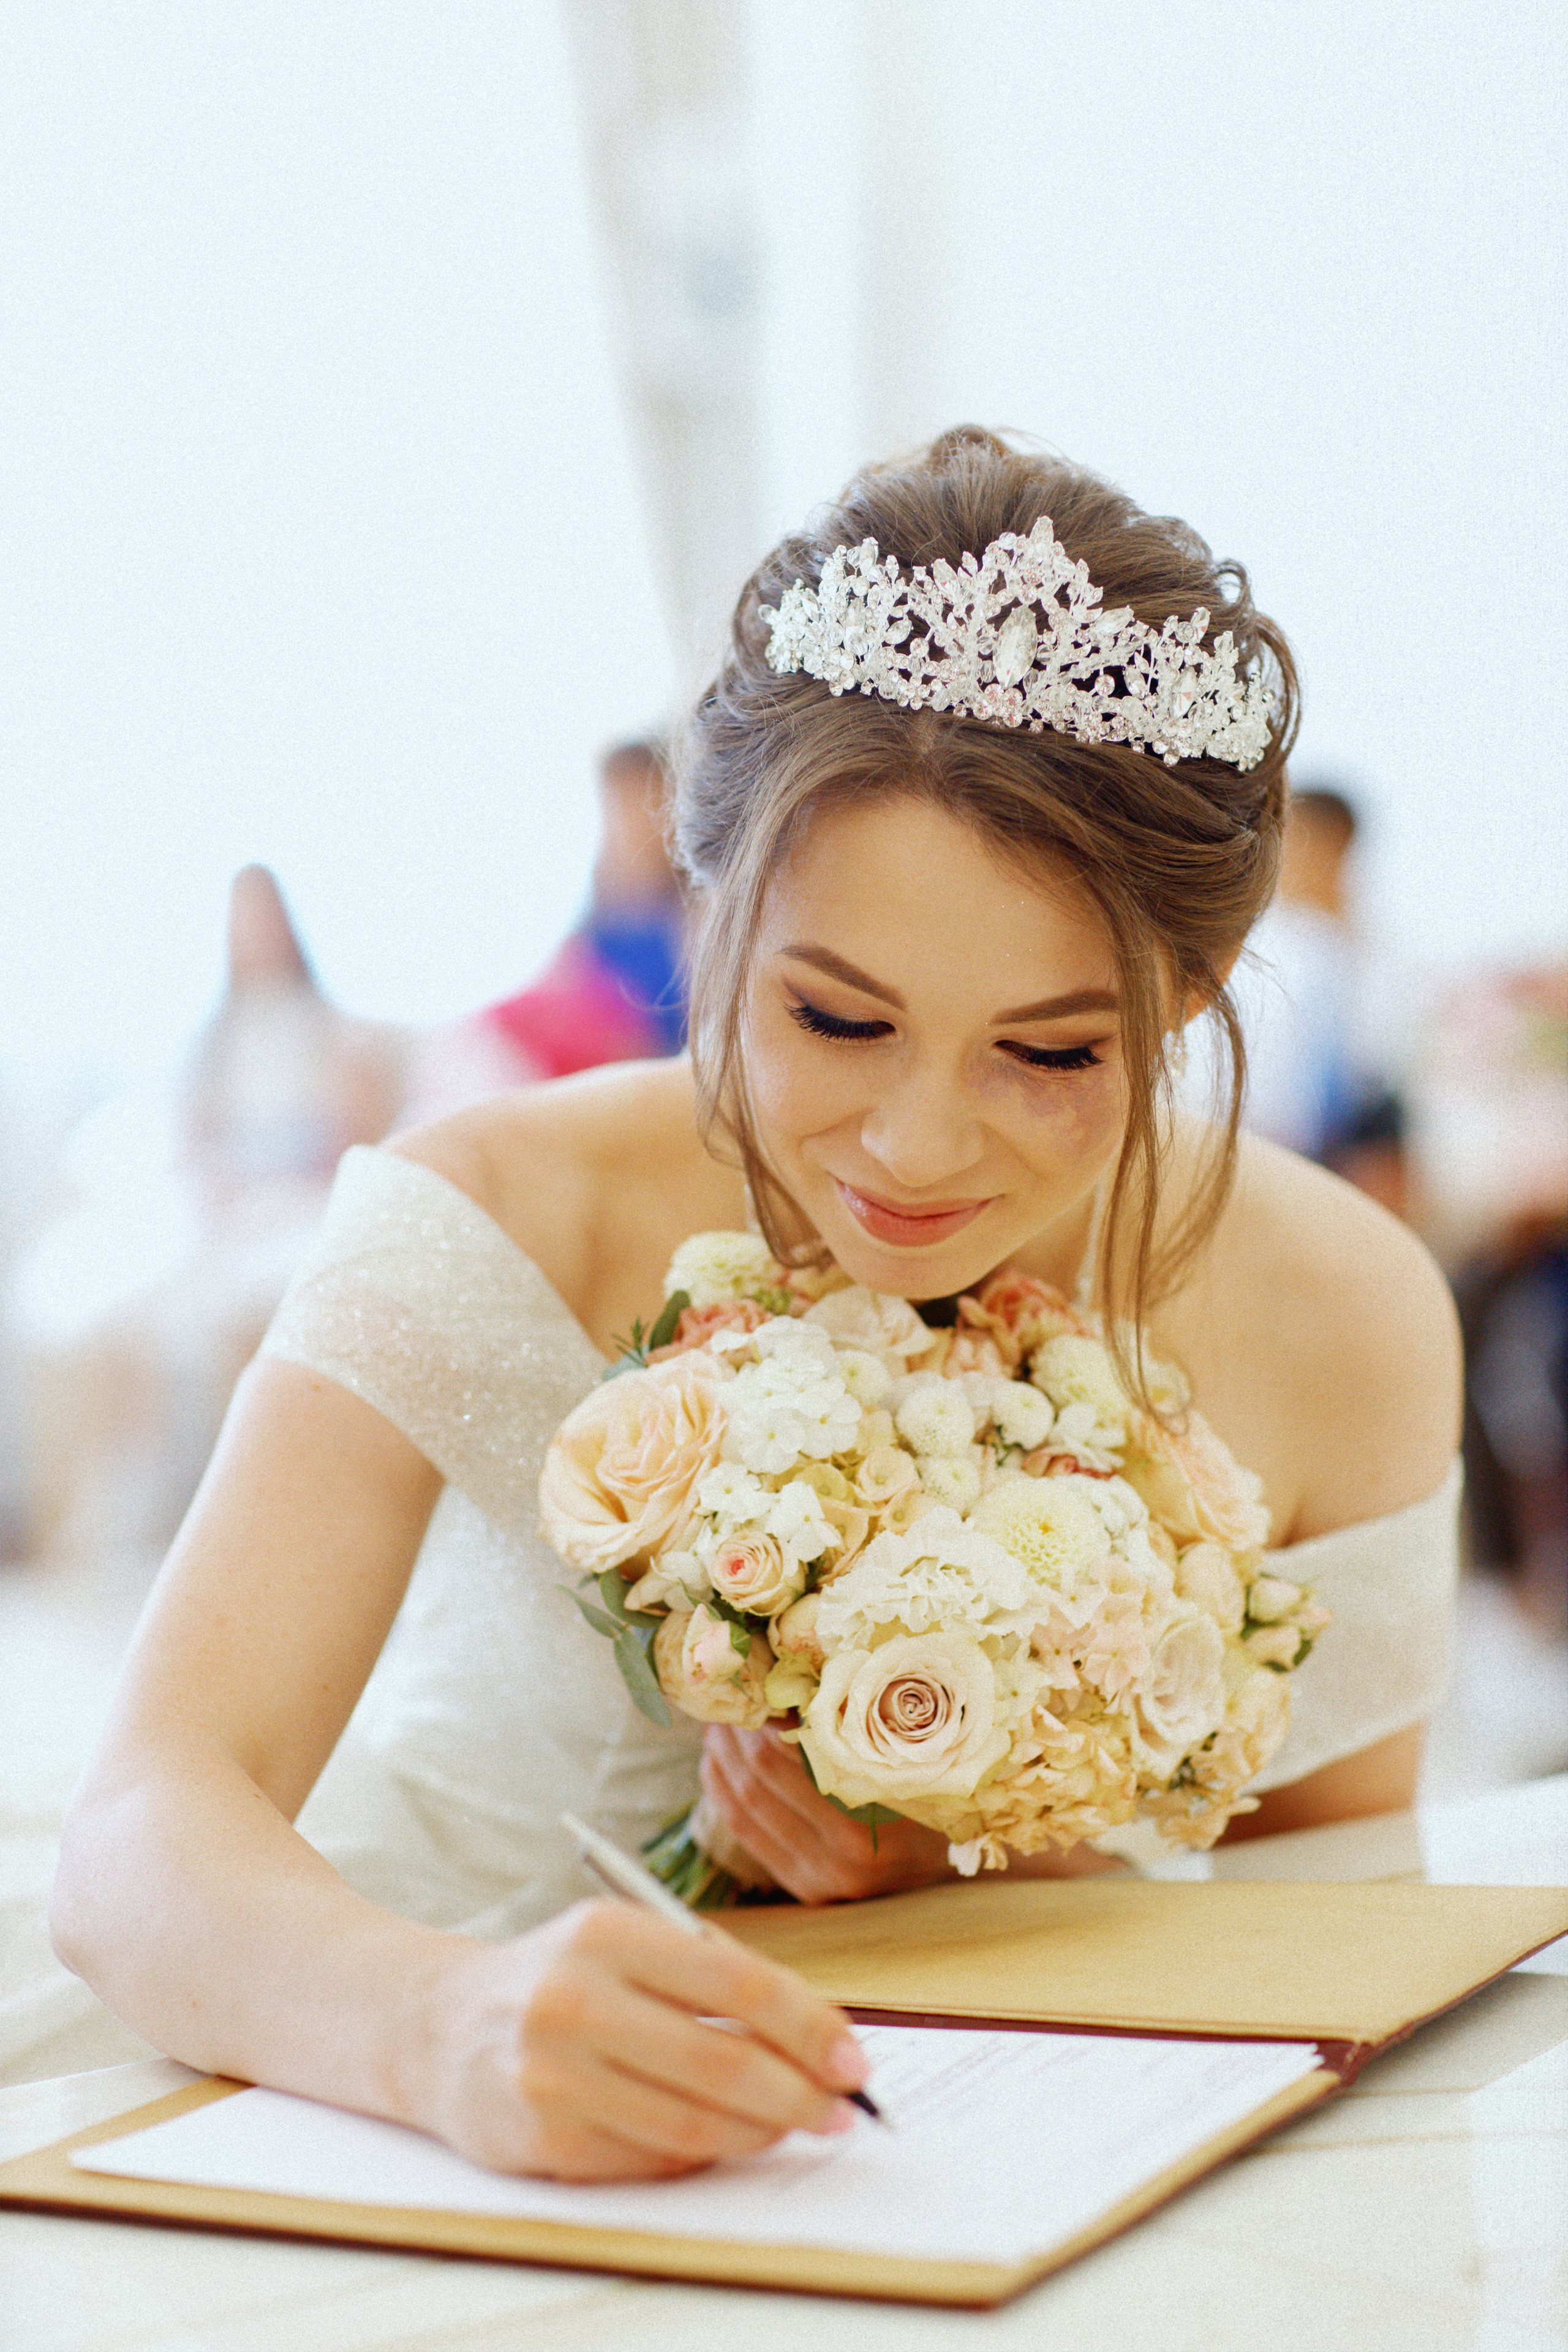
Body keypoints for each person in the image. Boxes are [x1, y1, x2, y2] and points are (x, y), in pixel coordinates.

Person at [49, 428, 1461, 2183]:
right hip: (405, 2101)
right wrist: (443, 2026)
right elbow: (132, 1833)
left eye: (1050, 1052)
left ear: (1195, 992)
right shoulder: (495, 1207)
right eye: (837, 1020)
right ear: (707, 911)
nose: (917, 1144)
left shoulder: (1348, 1309)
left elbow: (1337, 1922)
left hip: (1014, 2156)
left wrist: (979, 1861)